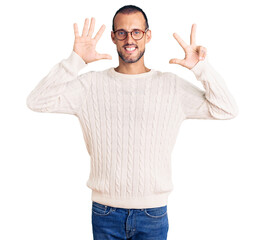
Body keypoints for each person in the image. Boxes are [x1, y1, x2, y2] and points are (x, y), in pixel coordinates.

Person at [26, 4, 239, 240]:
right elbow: (37, 101)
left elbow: (226, 109)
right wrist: (75, 61)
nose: (130, 39)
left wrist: (201, 68)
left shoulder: (171, 87)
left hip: (153, 214)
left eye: (136, 32)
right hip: (105, 213)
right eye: (122, 32)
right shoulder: (90, 86)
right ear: (113, 37)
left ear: (148, 35)